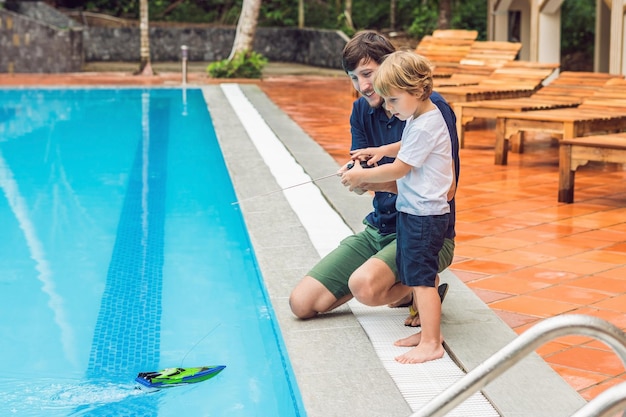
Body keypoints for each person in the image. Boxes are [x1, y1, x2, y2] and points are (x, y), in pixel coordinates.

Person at [288, 31, 460, 329]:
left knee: (365, 288)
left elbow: (446, 189)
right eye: (354, 77)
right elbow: (364, 169)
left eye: (368, 73)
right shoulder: (361, 111)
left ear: (390, 65)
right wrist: (358, 177)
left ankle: (422, 280)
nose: (363, 86)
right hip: (379, 228)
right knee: (302, 303)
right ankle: (409, 287)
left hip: (424, 231)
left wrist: (369, 179)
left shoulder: (430, 109)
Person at [341, 50, 453, 363]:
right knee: (419, 275)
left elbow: (399, 169)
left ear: (417, 91)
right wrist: (380, 150)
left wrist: (362, 176)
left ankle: (432, 343)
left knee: (420, 279)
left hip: (425, 217)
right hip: (415, 213)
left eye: (393, 100)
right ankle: (428, 332)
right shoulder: (421, 117)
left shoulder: (426, 122)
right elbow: (405, 145)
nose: (388, 107)